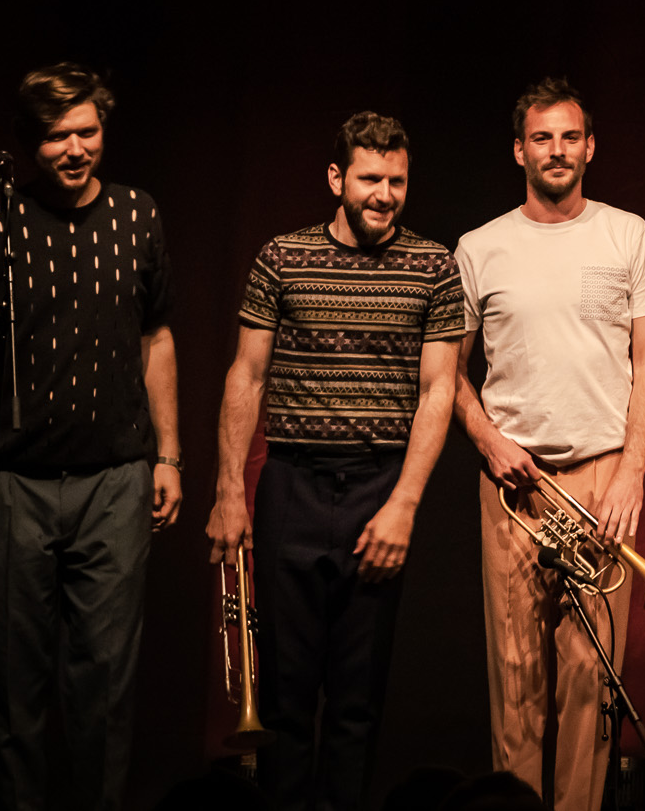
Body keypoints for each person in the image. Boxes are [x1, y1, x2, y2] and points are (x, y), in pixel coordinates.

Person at [0, 63, 182, 811]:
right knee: (12, 688)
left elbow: (157, 336)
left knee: (106, 686)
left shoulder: (138, 215)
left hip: (115, 482)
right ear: (29, 142)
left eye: (87, 131)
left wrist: (168, 454)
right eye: (57, 135)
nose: (75, 148)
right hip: (12, 486)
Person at [205, 112, 464, 811]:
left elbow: (439, 391)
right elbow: (246, 375)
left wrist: (404, 504)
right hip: (291, 483)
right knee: (284, 699)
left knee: (357, 702)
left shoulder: (434, 266)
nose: (385, 194)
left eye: (397, 181)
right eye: (370, 178)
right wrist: (229, 490)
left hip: (379, 487)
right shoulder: (282, 257)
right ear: (336, 178)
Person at [452, 78, 645, 810]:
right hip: (513, 482)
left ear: (590, 146)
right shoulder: (480, 246)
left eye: (569, 136)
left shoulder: (627, 233)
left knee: (590, 680)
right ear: (519, 150)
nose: (557, 149)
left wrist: (633, 471)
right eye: (541, 137)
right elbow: (447, 373)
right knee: (516, 680)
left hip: (603, 477)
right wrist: (487, 441)